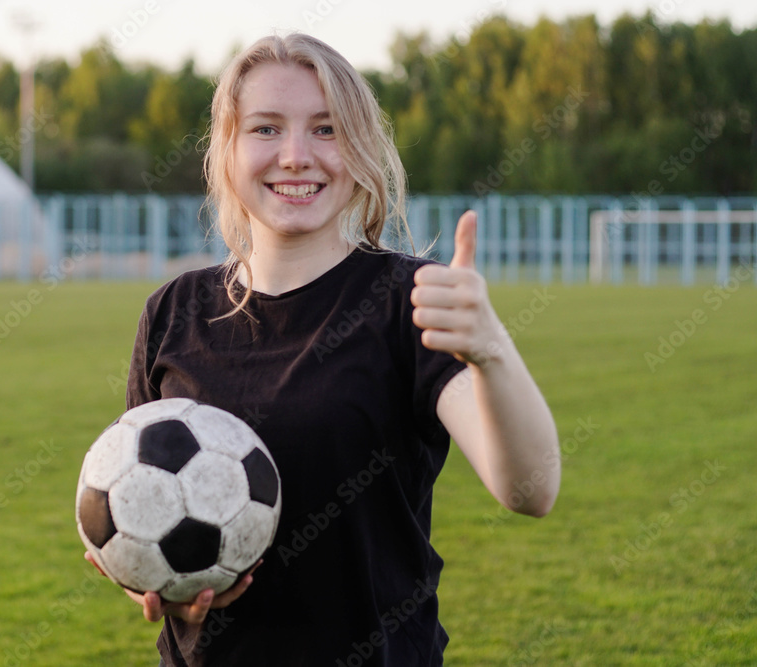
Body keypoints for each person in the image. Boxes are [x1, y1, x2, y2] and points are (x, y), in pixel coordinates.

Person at [86, 32, 560, 666]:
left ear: (360, 150)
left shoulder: (410, 301)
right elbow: (136, 498)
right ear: (226, 151)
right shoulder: (174, 313)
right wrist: (153, 579)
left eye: (327, 129)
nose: (295, 155)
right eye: (264, 129)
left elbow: (529, 490)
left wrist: (491, 349)